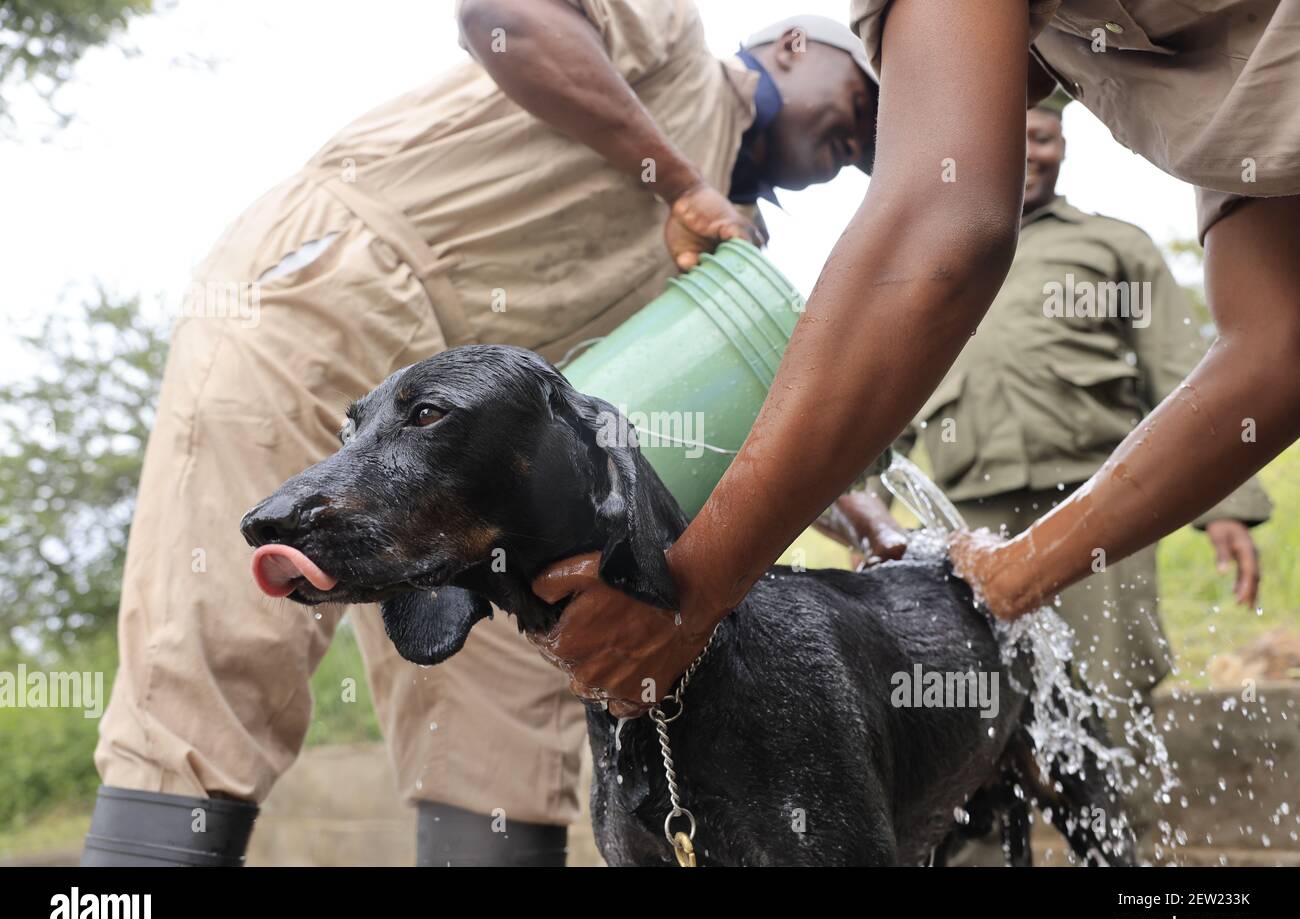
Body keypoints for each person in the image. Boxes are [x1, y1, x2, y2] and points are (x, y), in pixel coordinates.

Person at [82, 1, 879, 866]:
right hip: (329, 302)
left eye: (874, 152)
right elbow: (507, 16)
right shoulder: (674, 42)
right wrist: (680, 181)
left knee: (506, 743)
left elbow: (705, 417)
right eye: (868, 102)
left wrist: (859, 516)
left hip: (473, 467)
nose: (862, 149)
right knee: (216, 651)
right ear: (794, 46)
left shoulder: (709, 254)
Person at [533, 0, 1300, 727]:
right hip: (984, 492)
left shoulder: (1105, 238)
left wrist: (692, 591)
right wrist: (1011, 575)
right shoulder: (1215, 92)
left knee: (1105, 703)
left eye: (882, 106)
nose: (890, 134)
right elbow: (1278, 344)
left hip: (1091, 464)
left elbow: (935, 242)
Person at [889, 97, 1272, 859]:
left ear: (1062, 147)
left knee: (1111, 685)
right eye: (1013, 135)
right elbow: (881, 400)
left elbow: (1187, 371)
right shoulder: (931, 259)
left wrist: (1226, 506)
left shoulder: (1113, 247)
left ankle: (1119, 859)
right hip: (966, 522)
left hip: (1100, 510)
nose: (1030, 152)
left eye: (1044, 136)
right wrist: (866, 510)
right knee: (965, 704)